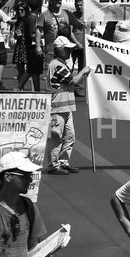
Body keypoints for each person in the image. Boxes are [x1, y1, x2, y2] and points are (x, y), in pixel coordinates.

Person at [44, 37, 90, 175]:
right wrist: (83, 71)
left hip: (66, 107)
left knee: (70, 136)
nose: (70, 51)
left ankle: (63, 162)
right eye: (67, 49)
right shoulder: (57, 65)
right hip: (57, 108)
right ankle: (53, 165)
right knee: (57, 138)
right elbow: (73, 81)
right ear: (60, 50)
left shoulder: (60, 64)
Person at [16, 0, 44, 92]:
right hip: (33, 47)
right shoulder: (32, 18)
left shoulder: (34, 17)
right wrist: (44, 34)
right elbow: (33, 34)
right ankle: (19, 87)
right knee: (31, 70)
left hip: (33, 47)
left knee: (35, 71)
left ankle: (37, 90)